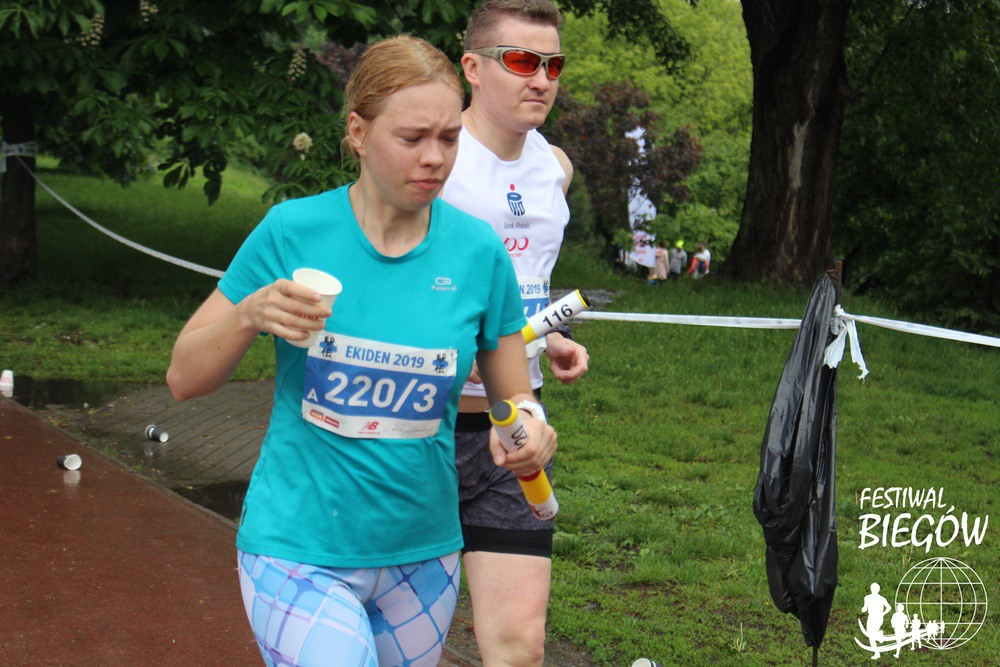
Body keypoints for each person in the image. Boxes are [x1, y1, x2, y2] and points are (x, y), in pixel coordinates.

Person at [166, 35, 557, 667]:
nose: (434, 158)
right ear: (358, 132)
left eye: (449, 138)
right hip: (297, 547)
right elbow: (184, 377)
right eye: (412, 138)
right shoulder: (292, 231)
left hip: (422, 559)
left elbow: (516, 395)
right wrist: (248, 314)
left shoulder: (479, 253)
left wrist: (532, 429)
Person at [440, 1, 589, 664]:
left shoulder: (555, 166)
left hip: (515, 430)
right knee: (400, 640)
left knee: (519, 644)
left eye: (553, 64)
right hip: (425, 430)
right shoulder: (434, 158)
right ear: (472, 68)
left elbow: (523, 280)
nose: (541, 79)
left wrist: (549, 335)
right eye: (523, 61)